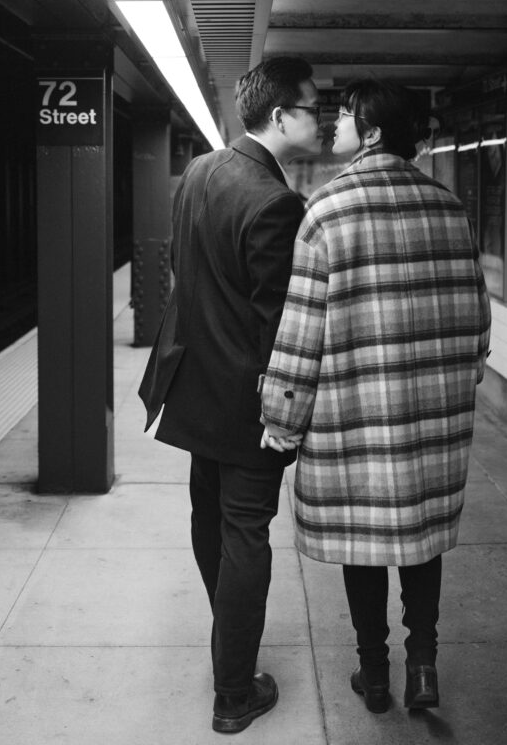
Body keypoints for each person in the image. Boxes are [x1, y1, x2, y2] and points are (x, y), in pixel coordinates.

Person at [260, 78, 491, 715]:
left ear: (375, 130)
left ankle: (374, 672)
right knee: (420, 541)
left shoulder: (327, 212)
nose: (335, 128)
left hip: (352, 419)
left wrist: (282, 416)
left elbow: (302, 329)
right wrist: (459, 377)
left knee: (362, 546)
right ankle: (423, 664)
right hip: (428, 420)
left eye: (346, 119)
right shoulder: (449, 207)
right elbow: (477, 320)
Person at [138, 57, 322, 734]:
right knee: (246, 536)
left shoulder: (201, 173)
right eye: (310, 107)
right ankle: (234, 693)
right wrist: (291, 411)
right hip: (246, 404)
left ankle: (228, 645)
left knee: (210, 520)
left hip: (191, 391)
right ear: (279, 116)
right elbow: (280, 325)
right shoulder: (276, 202)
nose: (321, 117)